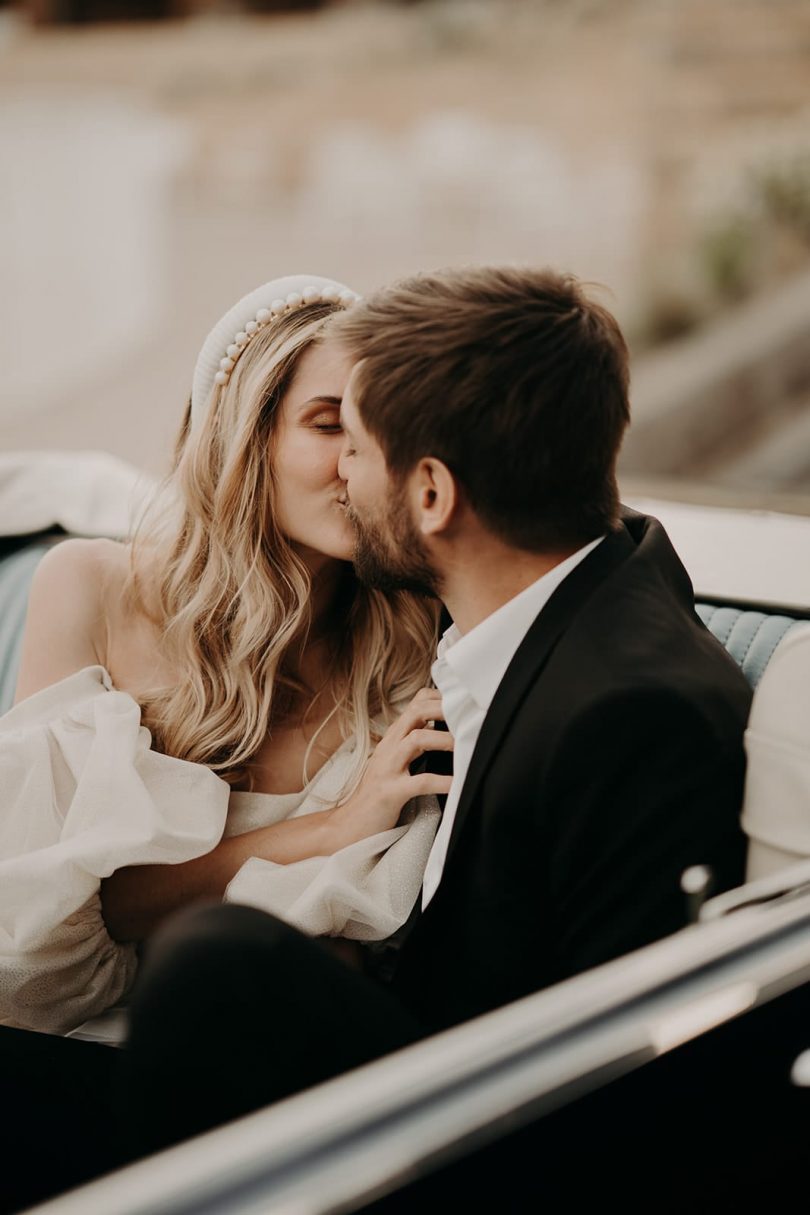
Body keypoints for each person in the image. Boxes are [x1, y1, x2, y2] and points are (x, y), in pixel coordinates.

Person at [110, 265, 753, 1159]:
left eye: (360, 447)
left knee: (220, 966)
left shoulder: (637, 716)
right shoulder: (540, 586)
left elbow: (627, 1107)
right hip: (413, 1077)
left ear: (432, 496)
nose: (343, 473)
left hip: (480, 1146)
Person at [0, 274, 450, 1212]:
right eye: (327, 423)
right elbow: (66, 917)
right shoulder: (91, 586)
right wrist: (330, 827)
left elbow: (346, 953)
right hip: (54, 1043)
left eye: (378, 433)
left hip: (261, 1095)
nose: (356, 462)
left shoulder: (417, 640)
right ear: (248, 439)